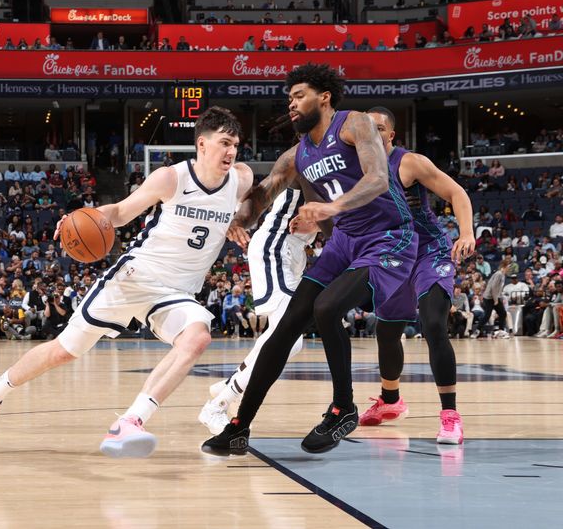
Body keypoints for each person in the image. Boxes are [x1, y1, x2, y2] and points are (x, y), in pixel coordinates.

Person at [0, 106, 253, 458]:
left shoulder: (242, 178)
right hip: (135, 279)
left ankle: (131, 422)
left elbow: (251, 201)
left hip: (178, 292)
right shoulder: (171, 178)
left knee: (197, 338)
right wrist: (84, 216)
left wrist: (241, 218)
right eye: (224, 143)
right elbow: (120, 211)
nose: (231, 151)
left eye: (235, 145)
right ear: (202, 145)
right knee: (64, 350)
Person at [202, 63, 417, 456]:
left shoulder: (355, 124)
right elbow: (264, 193)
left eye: (299, 96)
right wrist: (237, 218)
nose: (292, 105)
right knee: (284, 329)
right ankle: (238, 427)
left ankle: (343, 407)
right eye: (289, 99)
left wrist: (330, 208)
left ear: (324, 97)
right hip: (345, 242)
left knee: (326, 307)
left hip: (388, 237)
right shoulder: (297, 154)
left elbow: (378, 179)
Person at [357, 107, 474, 445]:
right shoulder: (356, 168)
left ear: (391, 135)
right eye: (365, 128)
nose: (371, 134)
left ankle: (450, 416)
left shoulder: (409, 163)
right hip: (393, 256)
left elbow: (457, 194)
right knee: (387, 330)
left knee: (434, 323)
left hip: (429, 251)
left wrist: (466, 233)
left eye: (378, 128)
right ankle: (390, 401)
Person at [198, 186, 314, 434]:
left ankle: (230, 383)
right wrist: (238, 220)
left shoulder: (354, 163)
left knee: (278, 333)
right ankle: (217, 406)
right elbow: (264, 189)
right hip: (277, 245)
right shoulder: (306, 155)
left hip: (294, 251)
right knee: (289, 340)